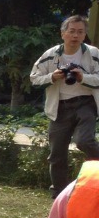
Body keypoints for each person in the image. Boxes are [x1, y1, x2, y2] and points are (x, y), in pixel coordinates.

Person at [29, 15, 99, 196]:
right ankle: (59, 194)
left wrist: (83, 77)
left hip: (85, 104)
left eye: (80, 32)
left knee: (84, 141)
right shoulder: (51, 55)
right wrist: (52, 76)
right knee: (56, 154)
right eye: (72, 31)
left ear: (85, 35)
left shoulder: (93, 54)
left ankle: (93, 183)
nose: (75, 36)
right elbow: (34, 79)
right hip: (59, 107)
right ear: (63, 34)